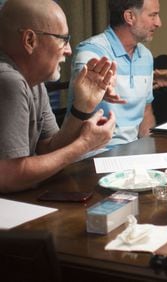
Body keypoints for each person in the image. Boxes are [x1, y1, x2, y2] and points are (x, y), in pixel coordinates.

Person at [0, 0, 116, 193]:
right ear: (30, 40)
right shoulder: (8, 80)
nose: (69, 49)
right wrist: (85, 144)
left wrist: (83, 106)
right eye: (63, 39)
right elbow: (8, 177)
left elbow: (49, 148)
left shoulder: (32, 80)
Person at [68, 0, 161, 148]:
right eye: (153, 15)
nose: (158, 23)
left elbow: (146, 111)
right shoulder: (91, 53)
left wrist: (151, 153)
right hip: (93, 155)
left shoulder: (146, 56)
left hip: (133, 155)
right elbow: (80, 117)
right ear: (130, 16)